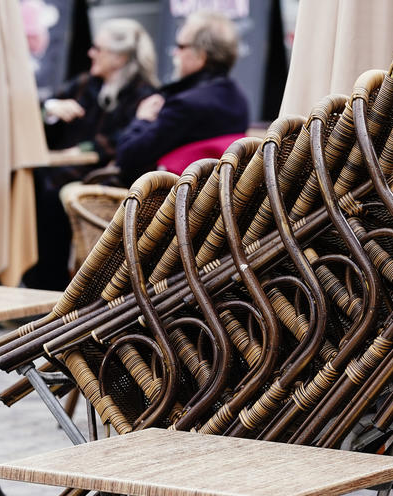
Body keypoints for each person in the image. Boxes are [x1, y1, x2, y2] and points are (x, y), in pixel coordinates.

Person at [24, 18, 158, 290]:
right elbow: (38, 116)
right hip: (61, 170)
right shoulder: (85, 84)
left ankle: (49, 289)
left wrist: (86, 149)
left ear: (119, 58)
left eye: (98, 48)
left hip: (105, 178)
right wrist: (51, 110)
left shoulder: (145, 94)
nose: (90, 53)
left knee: (49, 196)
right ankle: (29, 279)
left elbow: (128, 140)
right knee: (25, 184)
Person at [113, 11, 249, 184]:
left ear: (201, 56)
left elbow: (127, 157)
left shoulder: (186, 104)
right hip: (212, 201)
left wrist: (143, 119)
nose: (174, 53)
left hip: (160, 203)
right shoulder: (238, 99)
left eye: (180, 46)